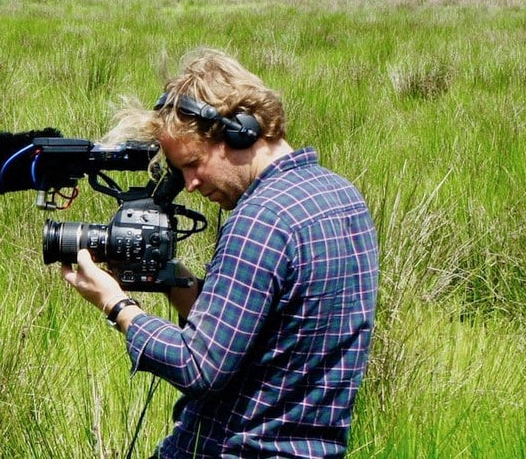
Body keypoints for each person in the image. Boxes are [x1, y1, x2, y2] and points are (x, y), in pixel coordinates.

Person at [61, 48, 379, 458]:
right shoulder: (342, 195)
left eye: (193, 163)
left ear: (240, 132)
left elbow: (199, 367)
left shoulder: (261, 220)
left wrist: (115, 303)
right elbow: (262, 339)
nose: (190, 184)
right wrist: (176, 281)